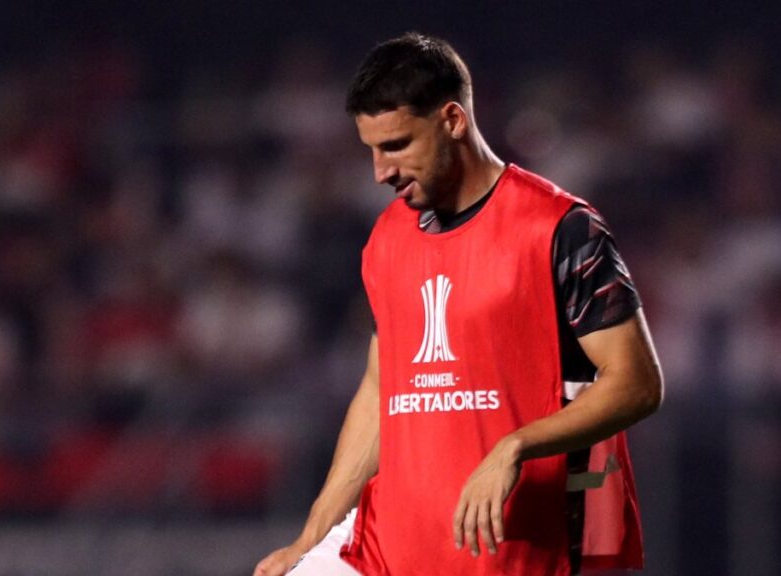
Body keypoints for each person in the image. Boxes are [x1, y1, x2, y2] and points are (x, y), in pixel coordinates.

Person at [254, 32, 663, 576]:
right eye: (371, 150)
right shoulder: (387, 238)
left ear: (452, 120)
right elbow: (382, 390)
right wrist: (308, 539)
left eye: (397, 145)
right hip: (380, 549)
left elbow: (637, 381)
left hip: (506, 552)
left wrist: (515, 446)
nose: (380, 172)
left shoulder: (561, 230)